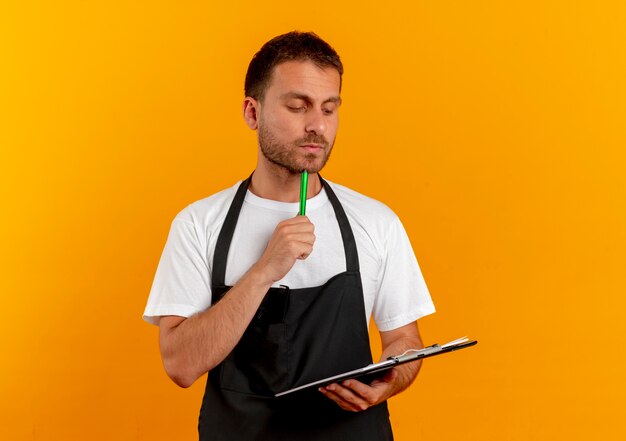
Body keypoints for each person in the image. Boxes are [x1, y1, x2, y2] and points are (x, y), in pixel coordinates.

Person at [143, 31, 435, 440]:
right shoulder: (198, 225)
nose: (317, 125)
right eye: (298, 106)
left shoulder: (376, 222)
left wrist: (391, 376)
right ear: (252, 112)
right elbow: (180, 365)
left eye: (329, 109)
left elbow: (404, 339)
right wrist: (265, 269)